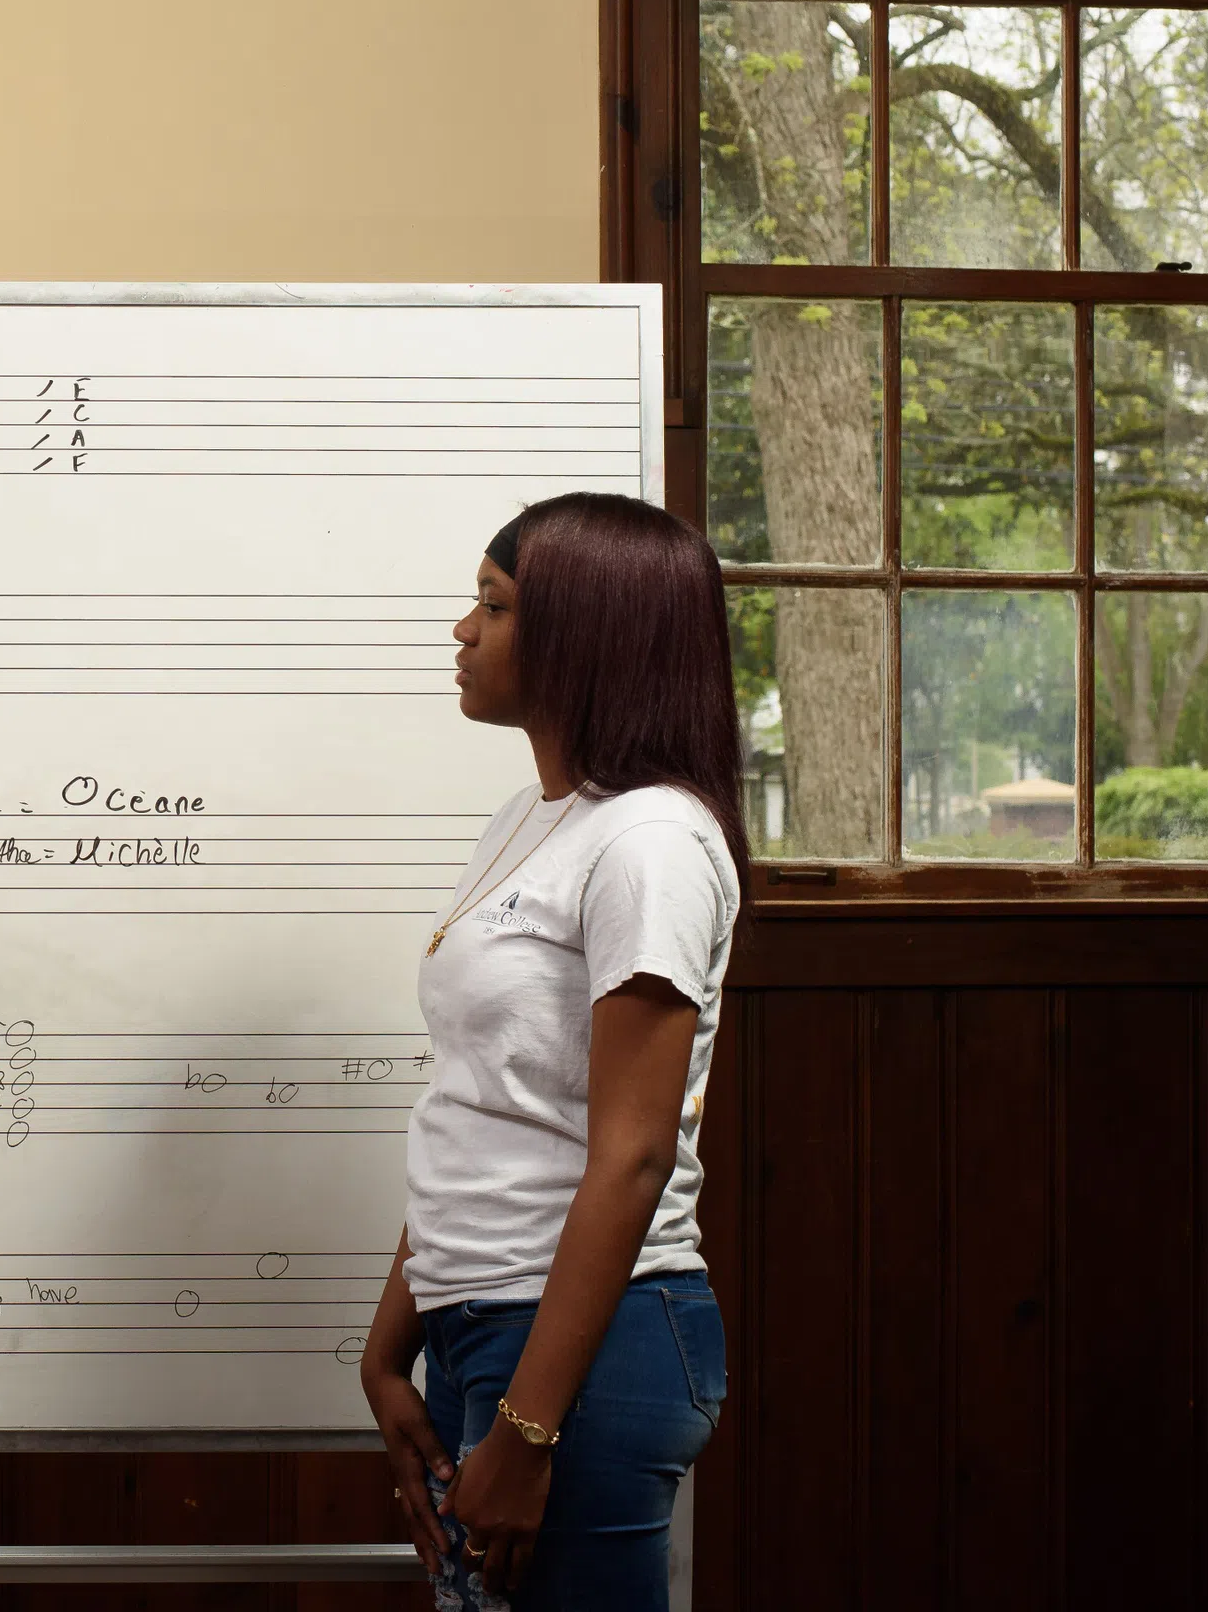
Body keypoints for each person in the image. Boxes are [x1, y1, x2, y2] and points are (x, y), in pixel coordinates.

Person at [357, 492, 741, 1611]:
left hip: (589, 1343)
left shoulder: (651, 840)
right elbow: (481, 1110)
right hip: (483, 1323)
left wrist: (529, 1431)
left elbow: (630, 1155)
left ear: (589, 633)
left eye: (496, 605)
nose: (462, 630)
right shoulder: (534, 819)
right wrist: (388, 1354)